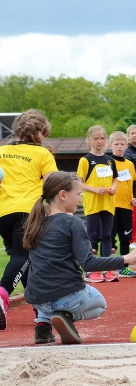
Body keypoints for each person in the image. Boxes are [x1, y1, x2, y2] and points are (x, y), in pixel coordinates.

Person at [23, 172, 136, 344]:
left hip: (36, 299)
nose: (80, 200)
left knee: (52, 290)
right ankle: (65, 317)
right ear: (63, 195)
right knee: (100, 304)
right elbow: (88, 263)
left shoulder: (35, 222)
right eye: (79, 194)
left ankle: (43, 325)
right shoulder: (73, 223)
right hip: (66, 296)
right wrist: (126, 258)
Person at [0, 110, 58, 331]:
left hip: (2, 212)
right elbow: (52, 185)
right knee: (23, 255)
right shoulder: (43, 154)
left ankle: (39, 308)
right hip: (27, 211)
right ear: (41, 132)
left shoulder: (2, 150)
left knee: (28, 259)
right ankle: (3, 292)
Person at [77, 125, 119, 283]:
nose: (100, 141)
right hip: (93, 202)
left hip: (108, 202)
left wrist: (113, 188)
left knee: (107, 235)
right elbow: (79, 183)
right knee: (92, 235)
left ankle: (108, 270)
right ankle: (92, 270)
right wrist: (95, 189)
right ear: (89, 140)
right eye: (96, 138)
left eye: (102, 138)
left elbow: (115, 180)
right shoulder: (85, 160)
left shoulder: (110, 160)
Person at [108, 131, 136, 278]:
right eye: (116, 144)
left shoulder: (130, 164)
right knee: (109, 236)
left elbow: (132, 184)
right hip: (111, 205)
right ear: (111, 145)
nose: (119, 147)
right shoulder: (107, 162)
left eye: (122, 144)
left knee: (125, 237)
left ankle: (124, 267)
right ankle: (106, 268)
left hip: (126, 206)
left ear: (127, 146)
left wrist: (133, 198)